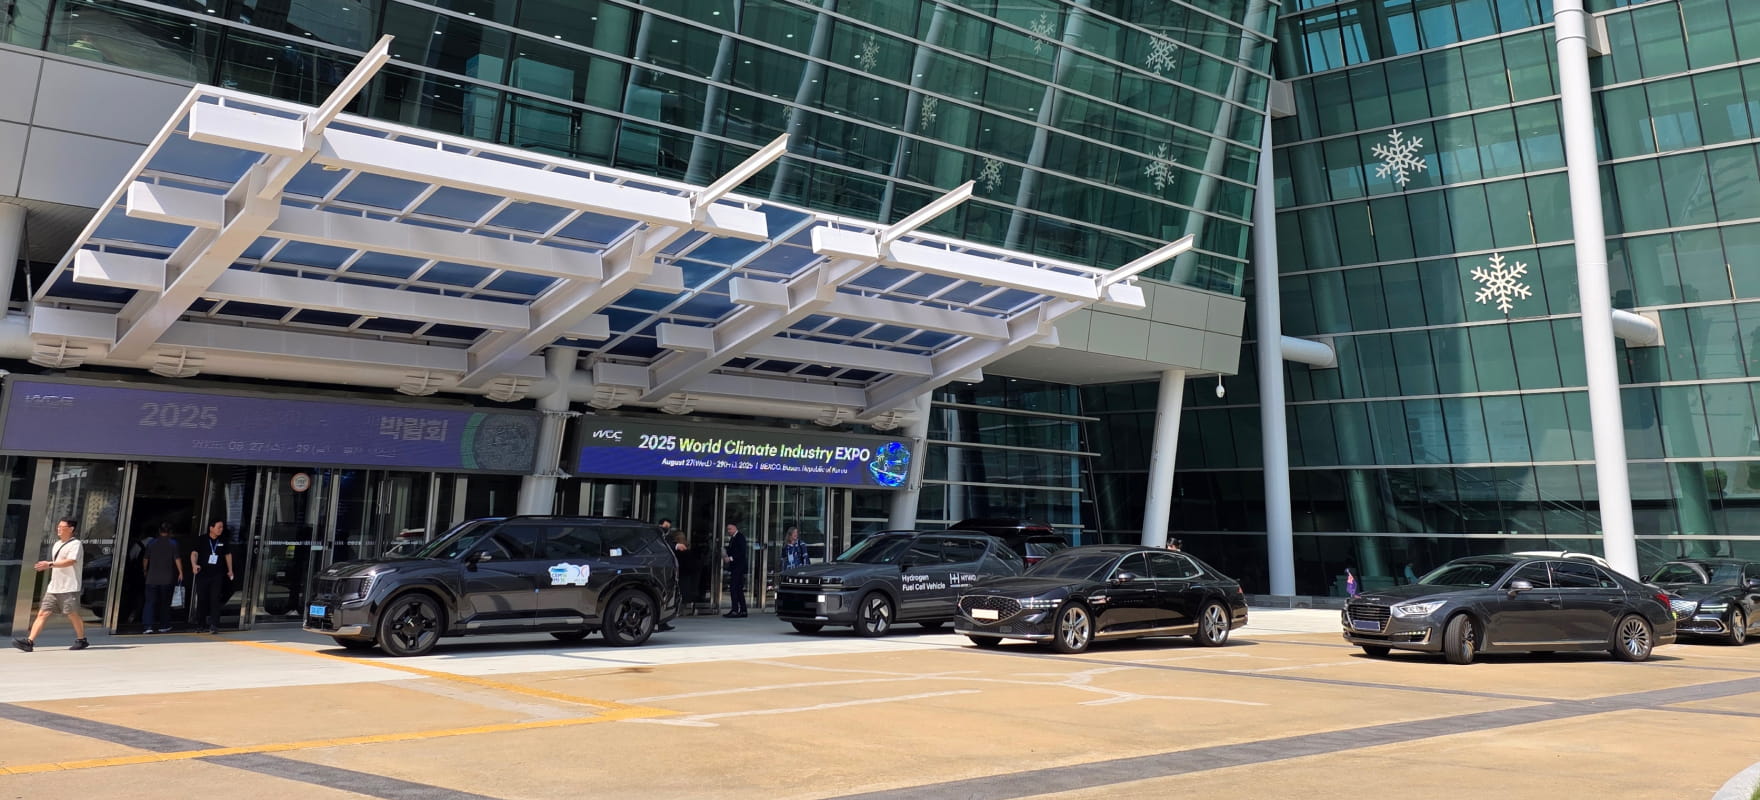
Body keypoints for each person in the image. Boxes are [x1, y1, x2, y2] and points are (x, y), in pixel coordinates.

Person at [13, 518, 90, 652]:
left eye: (62, 527)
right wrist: (49, 565)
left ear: (71, 529)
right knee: (42, 613)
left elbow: (70, 561)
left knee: (72, 614)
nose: (58, 529)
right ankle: (29, 641)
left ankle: (81, 640)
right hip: (54, 587)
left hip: (69, 587)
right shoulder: (57, 544)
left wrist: (49, 564)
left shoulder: (75, 544)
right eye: (58, 526)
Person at [189, 518, 234, 634]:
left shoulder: (223, 540)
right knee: (202, 599)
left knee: (215, 599)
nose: (221, 529)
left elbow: (228, 555)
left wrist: (230, 570)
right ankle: (200, 624)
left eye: (222, 527)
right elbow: (194, 553)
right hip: (203, 574)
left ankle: (214, 625)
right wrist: (194, 565)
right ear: (211, 528)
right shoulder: (202, 539)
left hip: (217, 574)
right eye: (219, 527)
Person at [142, 522, 185, 633]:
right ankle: (163, 625)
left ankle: (148, 626)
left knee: (149, 602)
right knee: (165, 602)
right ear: (170, 532)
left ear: (159, 531)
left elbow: (145, 559)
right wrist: (181, 572)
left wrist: (145, 570)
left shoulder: (152, 543)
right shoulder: (173, 543)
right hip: (167, 577)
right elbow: (177, 559)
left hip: (151, 578)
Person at [723, 522, 748, 618]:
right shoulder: (734, 538)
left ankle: (735, 610)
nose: (728, 531)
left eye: (730, 529)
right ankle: (743, 610)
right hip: (736, 566)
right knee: (738, 588)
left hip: (739, 566)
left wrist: (731, 558)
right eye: (728, 529)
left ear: (735, 528)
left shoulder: (740, 537)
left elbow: (741, 552)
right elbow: (732, 550)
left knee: (734, 587)